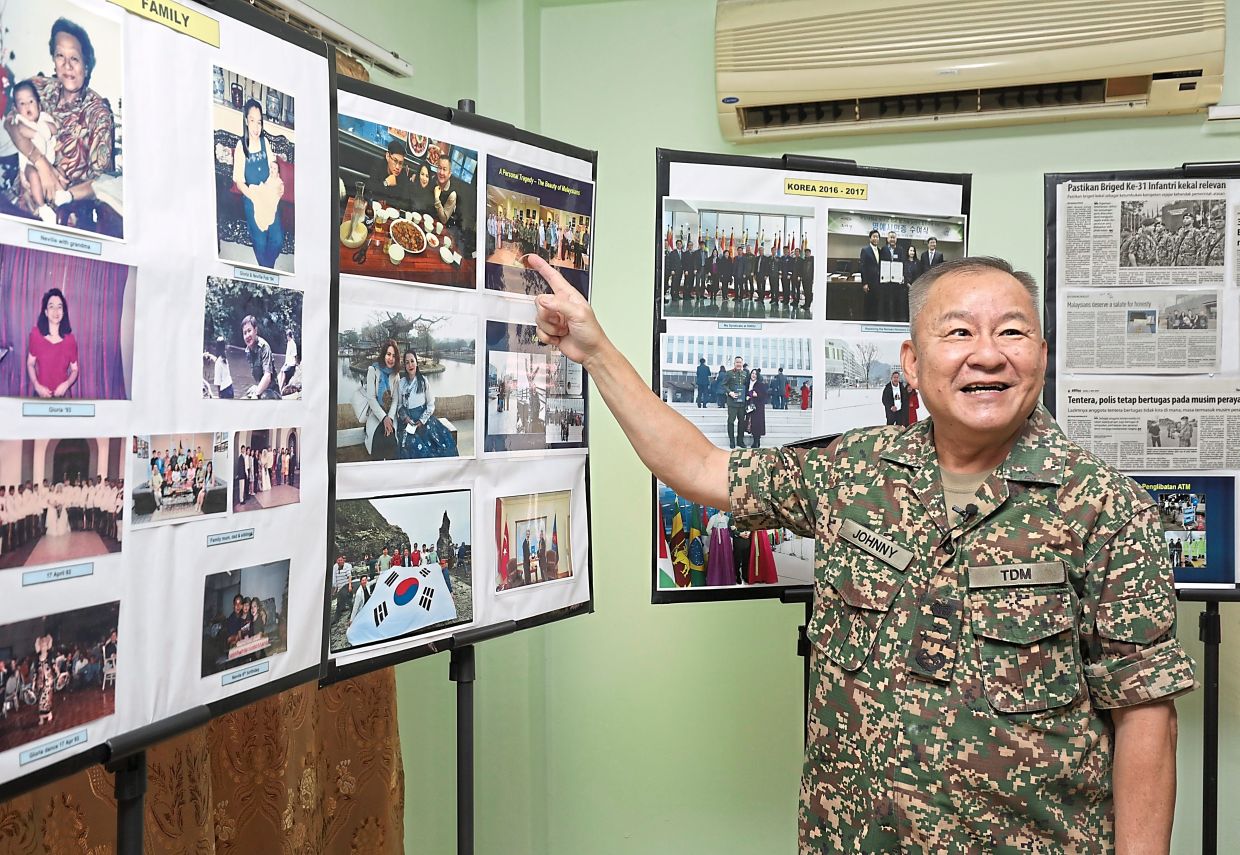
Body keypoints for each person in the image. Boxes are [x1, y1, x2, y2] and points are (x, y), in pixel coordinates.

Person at [527, 252, 1193, 852]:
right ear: (911, 361)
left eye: (1011, 331)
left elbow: (1146, 716)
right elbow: (701, 466)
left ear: (1041, 355)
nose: (987, 354)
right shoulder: (854, 471)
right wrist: (597, 352)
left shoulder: (1105, 507)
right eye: (958, 331)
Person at [5, 18, 116, 230]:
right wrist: (41, 164)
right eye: (60, 56)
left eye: (74, 58)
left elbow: (103, 182)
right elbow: (10, 123)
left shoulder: (98, 114)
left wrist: (64, 195)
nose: (67, 65)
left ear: (86, 63)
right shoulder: (39, 88)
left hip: (63, 219)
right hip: (18, 200)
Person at [232, 99, 285, 270]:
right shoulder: (241, 147)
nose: (256, 127)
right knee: (260, 242)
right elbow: (239, 182)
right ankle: (266, 270)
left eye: (259, 122)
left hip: (268, 195)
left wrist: (278, 182)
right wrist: (255, 197)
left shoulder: (265, 143)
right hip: (252, 197)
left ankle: (266, 267)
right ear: (246, 121)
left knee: (278, 239)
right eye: (252, 121)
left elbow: (273, 166)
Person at [11, 81, 59, 224]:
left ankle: (61, 195)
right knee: (32, 175)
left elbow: (55, 129)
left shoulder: (44, 118)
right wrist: (36, 133)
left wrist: (43, 127)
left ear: (39, 105)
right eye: (22, 103)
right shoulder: (21, 121)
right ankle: (42, 207)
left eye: (31, 101)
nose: (27, 106)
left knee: (59, 173)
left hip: (49, 162)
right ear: (16, 109)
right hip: (29, 163)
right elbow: (20, 131)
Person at [397, 348, 459, 459]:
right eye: (407, 362)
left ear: (416, 363)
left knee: (441, 444)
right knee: (412, 445)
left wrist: (422, 421)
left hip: (423, 419)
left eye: (412, 361)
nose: (410, 365)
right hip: (408, 422)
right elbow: (400, 406)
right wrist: (406, 418)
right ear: (404, 366)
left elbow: (431, 404)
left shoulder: (423, 381)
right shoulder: (401, 383)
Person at [26, 287, 78, 399]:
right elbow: (30, 363)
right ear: (46, 312)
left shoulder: (70, 340)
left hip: (63, 395)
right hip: (41, 393)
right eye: (51, 306)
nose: (55, 311)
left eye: (59, 307)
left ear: (63, 312)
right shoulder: (36, 336)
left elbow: (75, 369)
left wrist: (67, 384)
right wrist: (36, 385)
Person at [241, 315, 281, 400]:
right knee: (246, 394)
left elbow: (267, 376)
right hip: (262, 389)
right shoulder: (248, 351)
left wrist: (256, 395)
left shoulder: (264, 347)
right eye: (245, 333)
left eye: (249, 331)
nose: (247, 335)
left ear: (255, 330)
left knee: (262, 396)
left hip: (272, 393)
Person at [365, 139, 410, 206]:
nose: (397, 167)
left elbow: (405, 200)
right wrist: (386, 183)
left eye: (401, 163)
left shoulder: (403, 174)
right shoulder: (378, 165)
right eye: (395, 161)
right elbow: (369, 188)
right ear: (388, 156)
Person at [722, 356, 747, 449]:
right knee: (731, 421)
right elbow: (723, 385)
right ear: (734, 363)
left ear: (742, 363)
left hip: (742, 403)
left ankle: (740, 441)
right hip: (732, 402)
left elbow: (747, 385)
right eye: (737, 362)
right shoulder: (729, 373)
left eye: (740, 362)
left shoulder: (745, 373)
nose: (738, 364)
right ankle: (732, 441)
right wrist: (730, 392)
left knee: (741, 422)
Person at [858, 229, 882, 320]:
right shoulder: (865, 250)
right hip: (869, 283)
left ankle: (874, 322)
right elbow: (862, 267)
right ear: (870, 238)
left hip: (878, 282)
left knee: (876, 304)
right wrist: (864, 283)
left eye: (877, 237)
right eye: (874, 237)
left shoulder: (880, 250)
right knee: (868, 305)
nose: (876, 239)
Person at [744, 368, 768, 449]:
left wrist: (757, 395)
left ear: (757, 376)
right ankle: (756, 441)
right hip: (750, 406)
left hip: (758, 407)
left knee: (757, 424)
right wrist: (748, 396)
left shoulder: (760, 384)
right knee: (751, 424)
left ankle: (757, 442)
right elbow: (746, 393)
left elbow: (764, 394)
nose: (753, 375)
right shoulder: (747, 384)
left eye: (755, 374)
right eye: (752, 373)